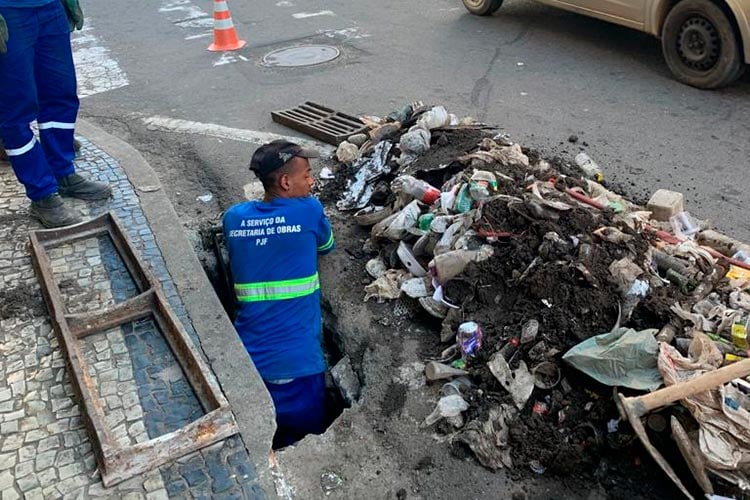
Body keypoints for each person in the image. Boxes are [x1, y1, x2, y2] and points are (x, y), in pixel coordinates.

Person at [222, 140, 336, 448]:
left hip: (250, 363)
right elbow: (327, 246)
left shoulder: (233, 218)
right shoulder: (309, 209)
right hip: (300, 366)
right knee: (308, 440)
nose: (312, 182)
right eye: (307, 175)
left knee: (263, 442)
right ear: (286, 182)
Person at [0, 0, 111, 228]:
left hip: (51, 8)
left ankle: (63, 173)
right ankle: (42, 195)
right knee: (16, 110)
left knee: (60, 95)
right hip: (9, 13)